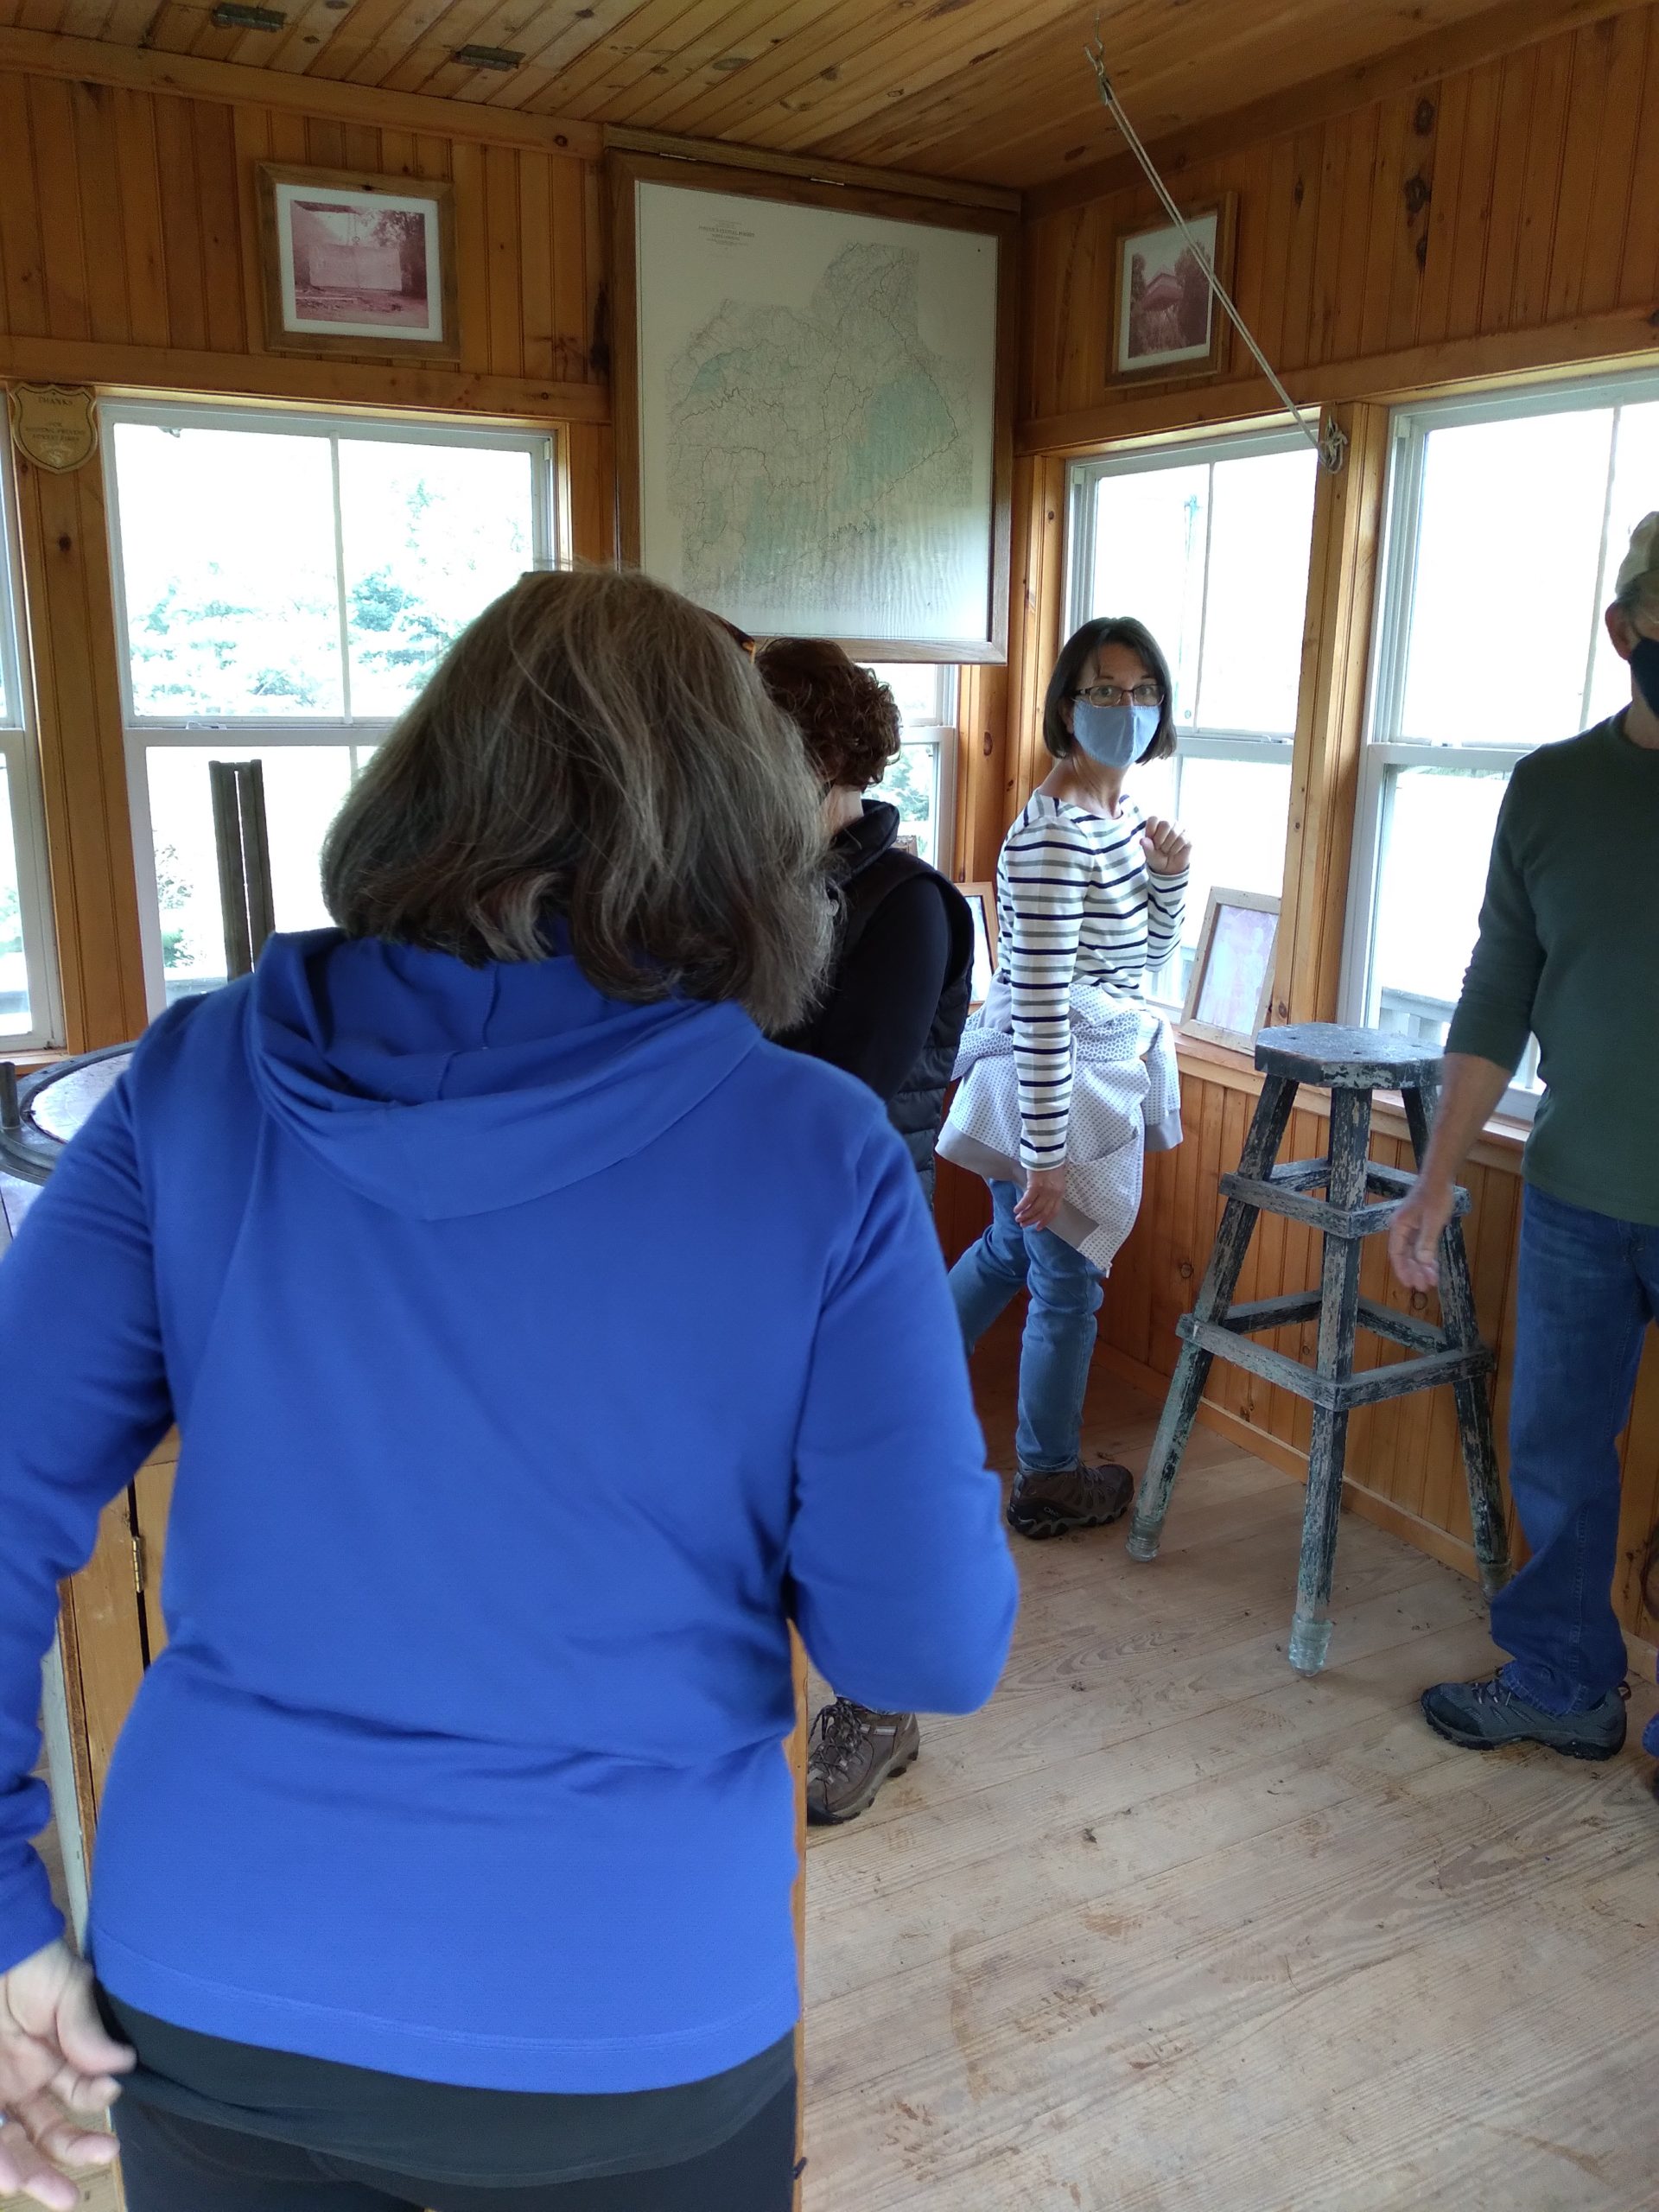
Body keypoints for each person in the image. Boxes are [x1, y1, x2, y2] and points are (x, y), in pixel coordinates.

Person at [0, 569, 1019, 2212]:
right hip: (627, 2011)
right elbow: (926, 1648)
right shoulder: (815, 1154)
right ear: (743, 827)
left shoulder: (193, 1079)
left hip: (218, 1981)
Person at [1392, 512, 1659, 1777]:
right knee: (1555, 1452)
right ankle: (1564, 1680)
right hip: (1575, 1200)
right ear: (1627, 629)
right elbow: (1498, 992)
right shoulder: (1552, 790)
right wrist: (1434, 1180)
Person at [756, 639, 975, 1827]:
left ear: (823, 758)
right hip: (755, 1231)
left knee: (854, 1492)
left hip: (858, 1246)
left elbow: (844, 1099)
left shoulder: (909, 906)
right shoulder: (749, 885)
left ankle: (882, 1708)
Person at [939, 617, 1191, 1541]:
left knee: (1015, 1251)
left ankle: (886, 1386)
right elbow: (1043, 1003)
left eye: (1142, 690)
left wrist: (1168, 876)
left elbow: (1140, 964)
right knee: (1068, 1284)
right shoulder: (1051, 837)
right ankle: (1046, 1478)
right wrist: (1046, 1155)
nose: (1127, 707)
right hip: (1052, 1091)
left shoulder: (1118, 820)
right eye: (1104, 690)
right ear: (1068, 705)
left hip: (1081, 1081)